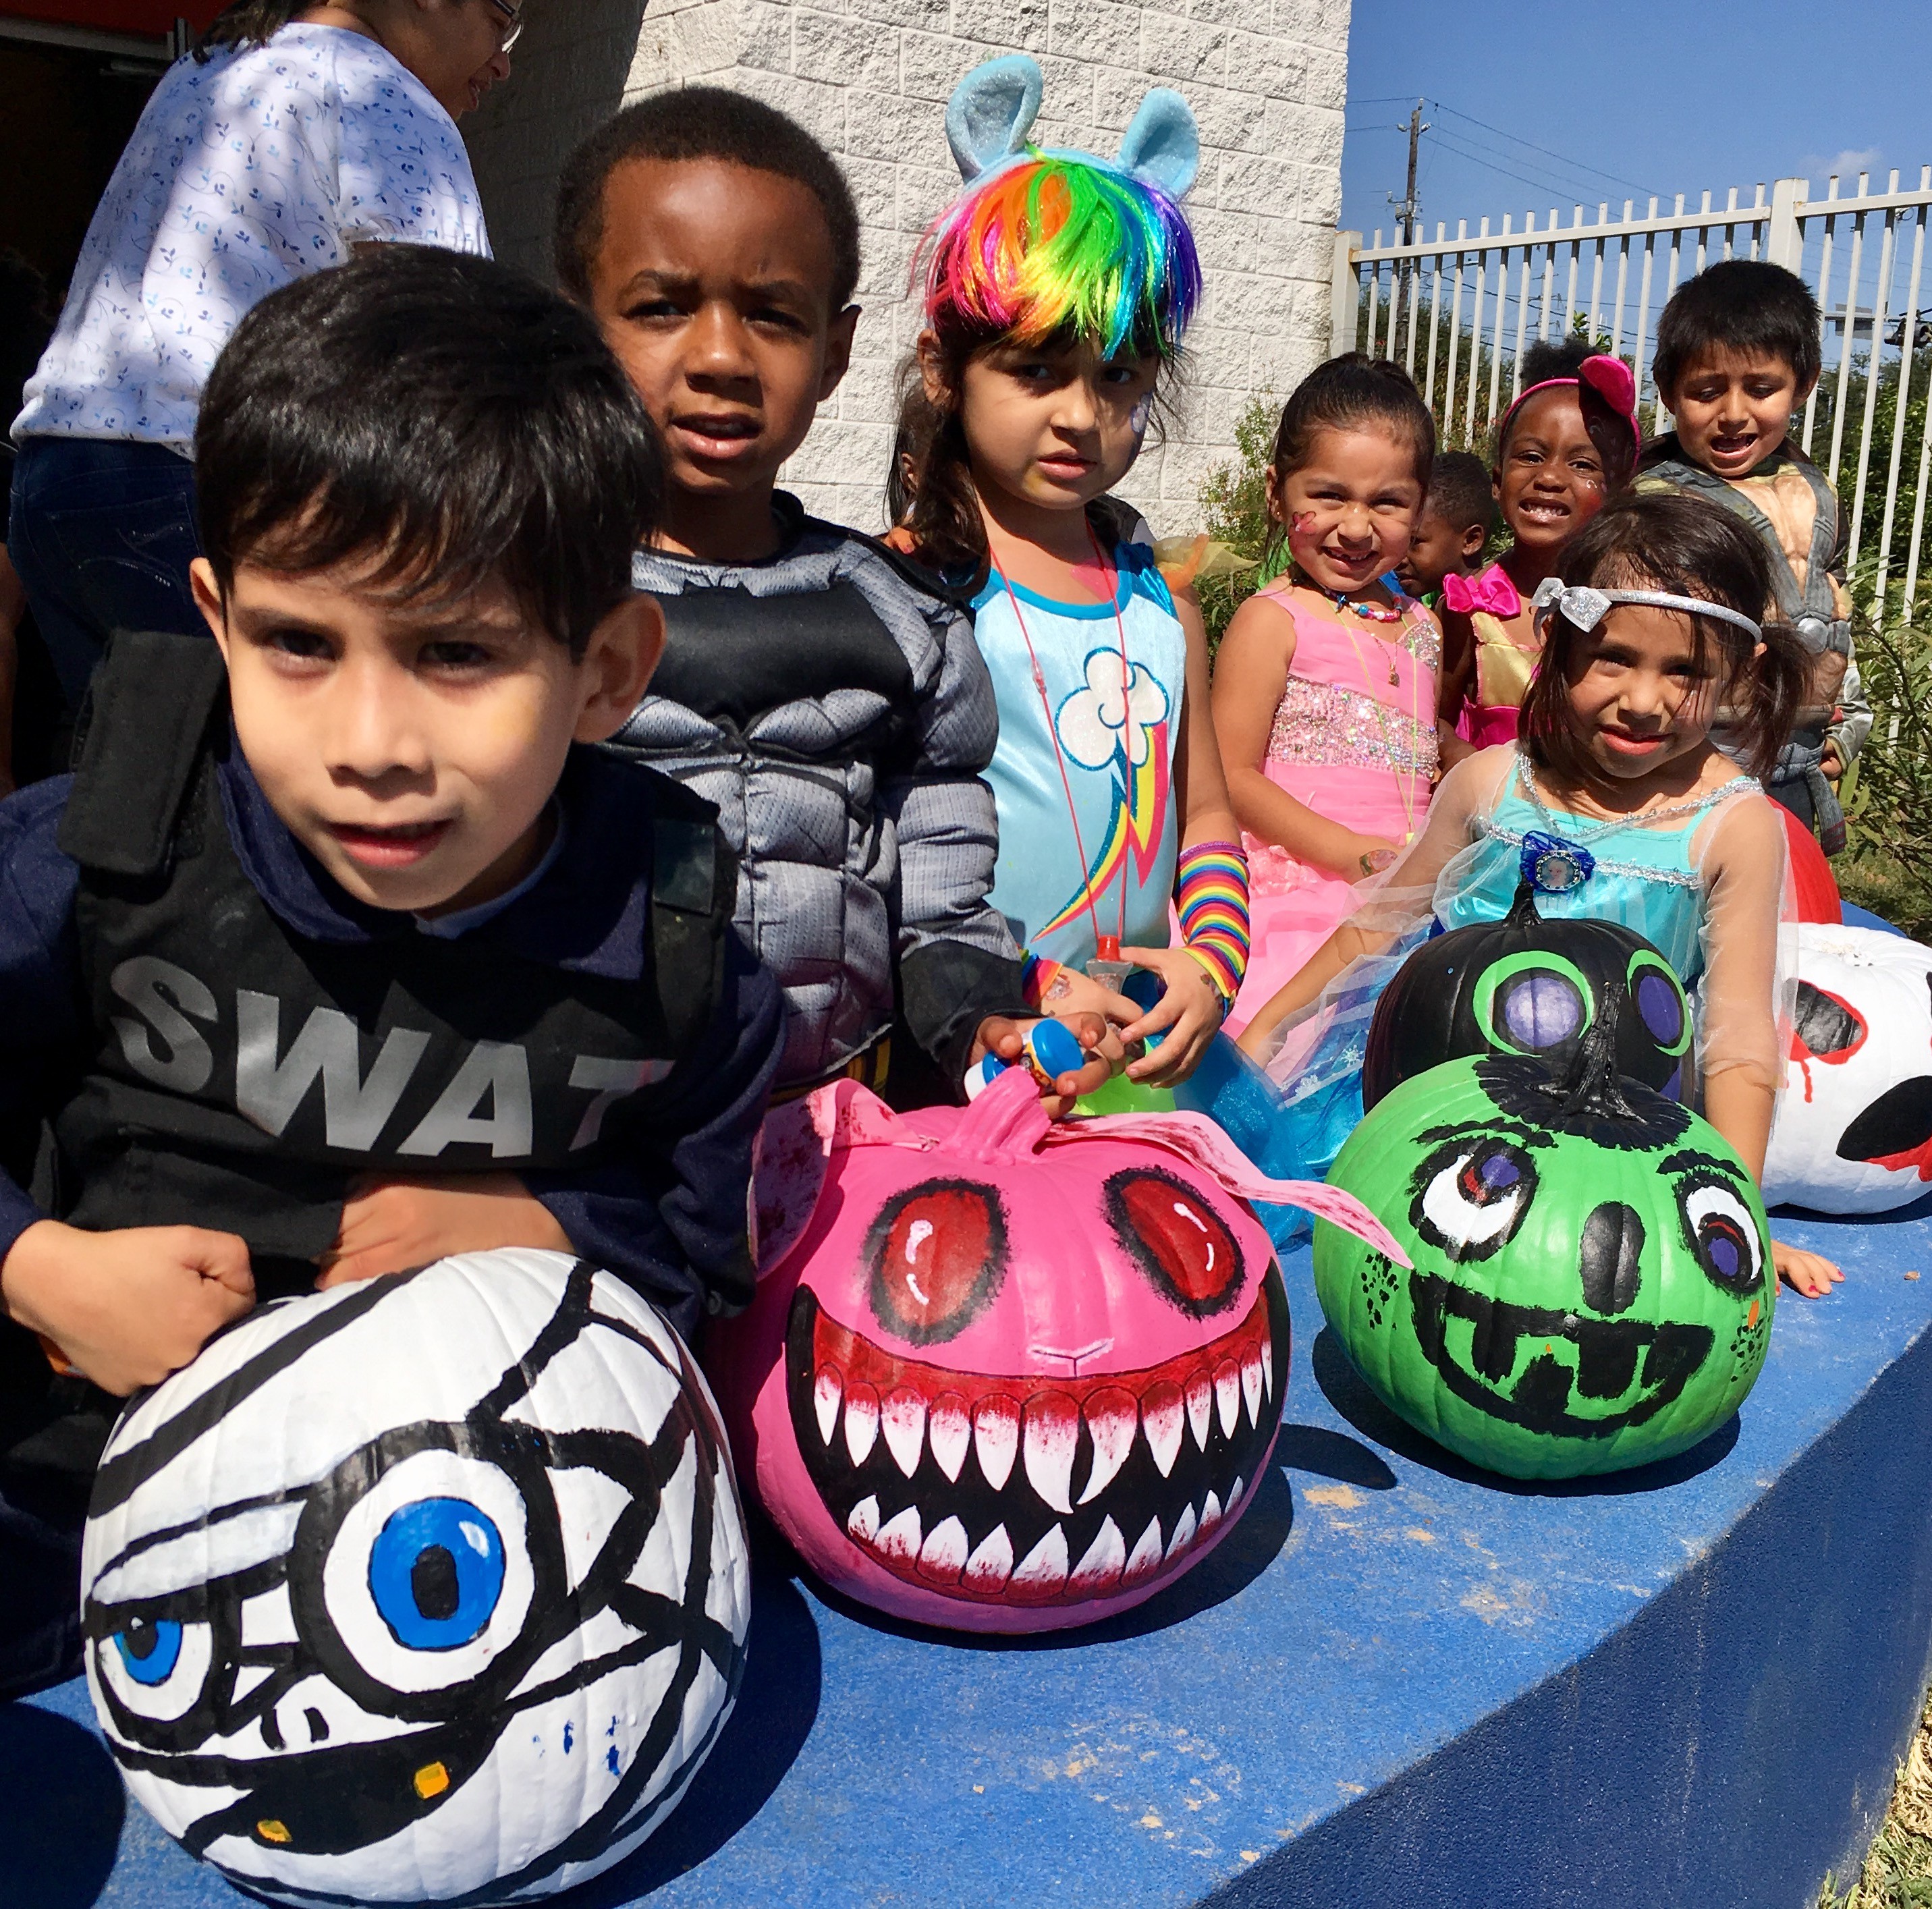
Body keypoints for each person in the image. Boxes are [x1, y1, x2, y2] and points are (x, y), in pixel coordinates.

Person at [0, 248, 785, 1698]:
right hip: (75, 1485)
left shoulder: (675, 950)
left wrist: (554, 1228)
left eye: (456, 652)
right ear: (217, 619)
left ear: (608, 670)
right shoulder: (103, 844)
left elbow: (700, 1239)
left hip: (470, 1539)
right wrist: (37, 1267)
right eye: (300, 642)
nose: (372, 739)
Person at [553, 87, 1111, 1113]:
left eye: (771, 314)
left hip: (835, 1132)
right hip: (585, 1151)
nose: (720, 357)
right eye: (662, 306)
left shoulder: (905, 625)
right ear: (576, 326)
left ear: (837, 352)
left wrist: (981, 1019)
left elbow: (941, 905)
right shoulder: (516, 608)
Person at [1238, 491, 1840, 1300]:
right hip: (1424, 1104)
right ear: (1554, 640)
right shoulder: (1488, 785)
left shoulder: (1730, 827)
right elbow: (1375, 930)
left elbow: (1735, 1038)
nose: (1642, 699)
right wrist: (1269, 1033)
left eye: (1685, 672)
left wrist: (1739, 1214)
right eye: (1614, 658)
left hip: (1609, 1134)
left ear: (1742, 673)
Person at [891, 55, 1247, 1090]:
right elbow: (885, 860)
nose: (1082, 414)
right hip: (983, 1044)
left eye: (1119, 375)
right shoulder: (908, 590)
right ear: (942, 369)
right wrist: (1032, 986)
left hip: (1143, 1048)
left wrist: (1209, 969)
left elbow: (1206, 818)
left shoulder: (1160, 601)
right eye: (1036, 368)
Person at [8, 0, 512, 711]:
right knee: (262, 793)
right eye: (502, 15)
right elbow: (438, 355)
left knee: (131, 793)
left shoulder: (201, 72)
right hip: (208, 490)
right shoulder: (387, 97)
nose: (505, 58)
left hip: (57, 481)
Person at [1209, 355, 1443, 1034]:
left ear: (1421, 507)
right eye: (1329, 496)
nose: (1356, 527)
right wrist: (1350, 854)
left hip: (1402, 889)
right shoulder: (1273, 620)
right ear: (1277, 493)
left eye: (1387, 503)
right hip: (1303, 893)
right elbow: (1228, 775)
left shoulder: (1422, 626)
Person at [1637, 259, 1871, 853]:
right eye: (1705, 391)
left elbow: (1832, 612)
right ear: (1666, 391)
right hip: (1693, 759)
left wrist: (1845, 730)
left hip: (1797, 759)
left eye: (1761, 388)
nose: (1734, 413)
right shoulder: (1655, 500)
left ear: (1805, 382)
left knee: (1787, 925)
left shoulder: (1814, 490)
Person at [1437, 339, 1640, 761]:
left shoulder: (1632, 609)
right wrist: (1478, 777)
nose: (1549, 477)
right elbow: (1435, 720)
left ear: (1620, 494)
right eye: (1531, 457)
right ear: (1498, 481)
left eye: (1583, 465)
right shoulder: (1469, 607)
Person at [1397, 449, 1496, 608]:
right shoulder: (1442, 603)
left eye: (1414, 541)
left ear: (1471, 541)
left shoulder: (1471, 613)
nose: (1399, 559)